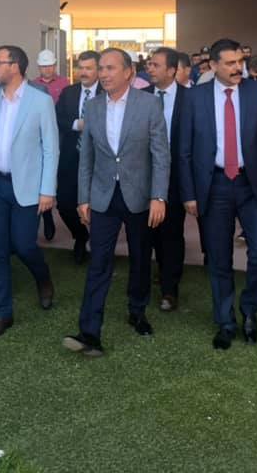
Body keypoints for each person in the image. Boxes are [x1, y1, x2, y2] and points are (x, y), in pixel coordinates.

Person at [179, 38, 257, 349]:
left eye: (240, 62)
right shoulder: (194, 98)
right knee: (218, 258)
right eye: (230, 63)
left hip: (254, 185)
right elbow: (184, 151)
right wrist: (189, 194)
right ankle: (225, 322)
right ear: (213, 65)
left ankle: (250, 310)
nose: (238, 68)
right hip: (213, 186)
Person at [63, 48, 169, 357]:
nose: (104, 74)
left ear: (129, 73)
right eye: (101, 68)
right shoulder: (93, 106)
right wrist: (83, 197)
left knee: (140, 258)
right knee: (98, 262)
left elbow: (161, 155)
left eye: (110, 68)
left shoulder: (149, 104)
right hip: (102, 196)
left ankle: (137, 310)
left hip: (139, 196)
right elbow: (87, 157)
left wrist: (158, 196)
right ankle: (89, 332)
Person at [0, 46, 58, 339]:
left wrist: (47, 190)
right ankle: (3, 312)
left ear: (15, 66)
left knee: (24, 245)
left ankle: (43, 278)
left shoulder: (41, 101)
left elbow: (51, 148)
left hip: (28, 187)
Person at [145, 47, 190, 311]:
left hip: (176, 175)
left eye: (156, 65)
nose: (150, 68)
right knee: (149, 230)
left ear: (172, 70)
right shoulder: (141, 97)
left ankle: (170, 288)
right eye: (149, 64)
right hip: (145, 174)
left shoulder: (190, 98)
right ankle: (155, 272)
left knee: (171, 231)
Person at [55, 50, 101, 264]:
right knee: (65, 203)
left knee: (99, 205)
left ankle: (100, 244)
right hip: (71, 158)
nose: (83, 72)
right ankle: (81, 236)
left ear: (98, 70)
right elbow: (57, 117)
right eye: (80, 67)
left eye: (88, 68)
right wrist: (76, 124)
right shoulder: (69, 92)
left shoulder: (107, 92)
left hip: (100, 159)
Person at [34, 49, 66, 242]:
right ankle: (46, 217)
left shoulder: (64, 84)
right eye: (44, 66)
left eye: (50, 66)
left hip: (59, 132)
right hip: (38, 134)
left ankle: (51, 205)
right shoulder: (33, 86)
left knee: (54, 171)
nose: (47, 69)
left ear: (55, 65)